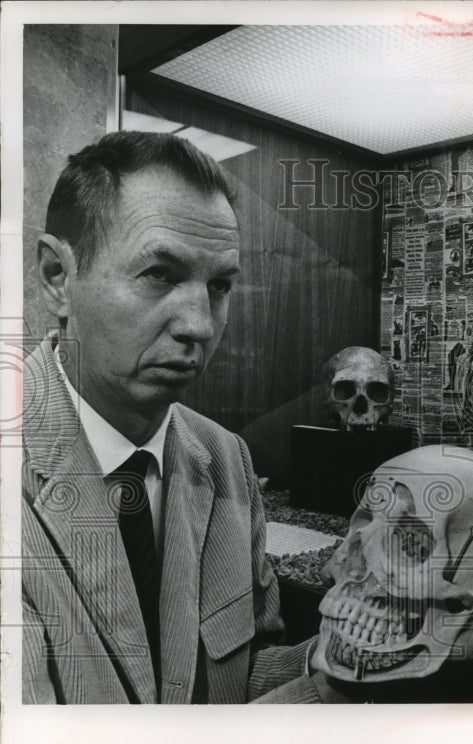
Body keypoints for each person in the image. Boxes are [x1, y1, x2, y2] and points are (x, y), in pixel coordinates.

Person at [21, 132, 330, 703]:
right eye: (160, 274)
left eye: (218, 286)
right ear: (57, 278)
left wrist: (338, 662)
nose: (201, 326)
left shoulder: (226, 459)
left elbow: (240, 678)